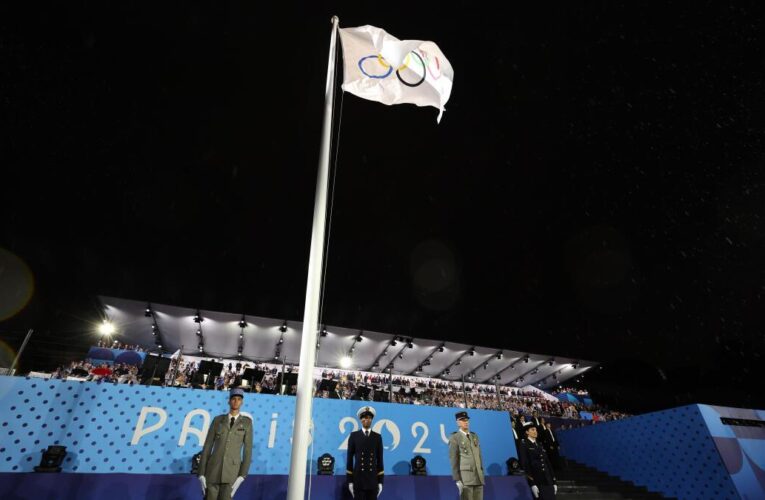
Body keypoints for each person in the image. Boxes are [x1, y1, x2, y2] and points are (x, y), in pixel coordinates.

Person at [198, 388, 253, 500]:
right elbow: (208, 446)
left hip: (232, 472)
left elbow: (248, 450)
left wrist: (242, 475)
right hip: (213, 470)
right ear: (229, 401)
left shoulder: (247, 423)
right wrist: (201, 473)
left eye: (239, 399)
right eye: (233, 399)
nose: (236, 401)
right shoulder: (218, 420)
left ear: (242, 402)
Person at [346, 405, 384, 499]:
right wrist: (350, 481)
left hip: (372, 481)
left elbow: (380, 460)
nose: (367, 420)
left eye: (369, 418)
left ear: (372, 420)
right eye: (364, 418)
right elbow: (349, 459)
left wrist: (380, 481)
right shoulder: (354, 436)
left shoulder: (377, 437)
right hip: (358, 480)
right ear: (360, 420)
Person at [448, 411, 485, 500]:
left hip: (478, 477)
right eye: (463, 420)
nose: (466, 422)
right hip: (465, 478)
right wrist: (457, 479)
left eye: (467, 420)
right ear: (458, 422)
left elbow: (479, 455)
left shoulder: (474, 436)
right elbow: (454, 459)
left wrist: (481, 472)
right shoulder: (455, 437)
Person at [518, 422, 557, 499]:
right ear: (527, 432)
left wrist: (554, 481)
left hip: (548, 480)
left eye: (536, 429)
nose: (535, 431)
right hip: (537, 481)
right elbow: (525, 464)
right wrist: (532, 483)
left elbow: (547, 463)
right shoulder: (524, 444)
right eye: (532, 430)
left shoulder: (539, 444)